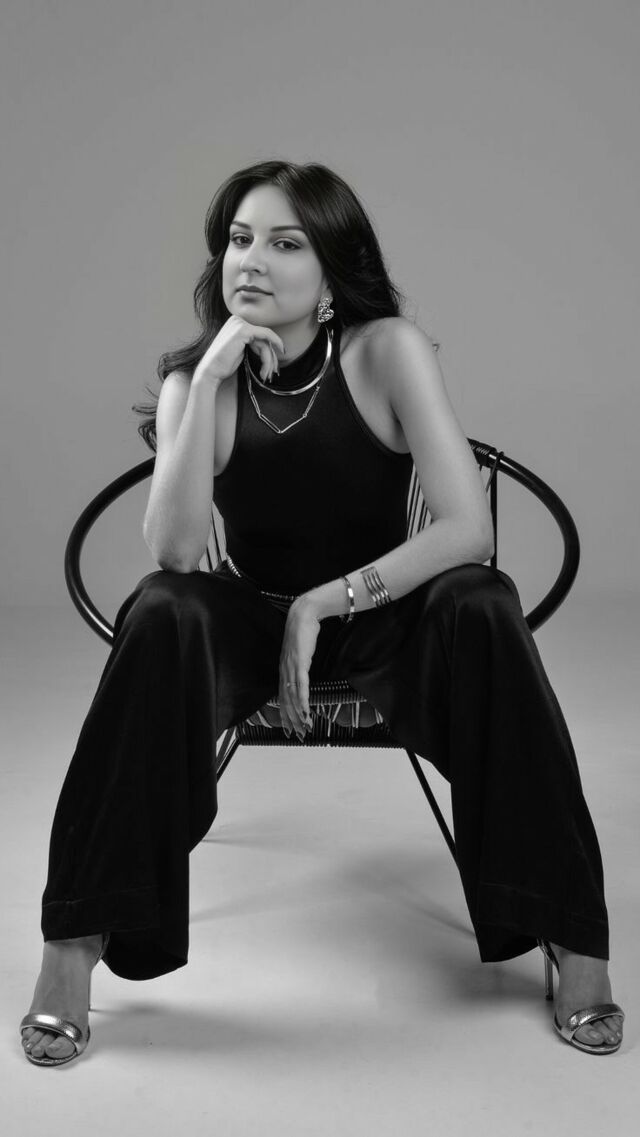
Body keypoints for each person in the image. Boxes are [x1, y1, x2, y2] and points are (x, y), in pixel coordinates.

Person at [20, 159, 624, 1066]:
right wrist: (210, 377)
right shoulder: (200, 382)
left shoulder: (387, 352)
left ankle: (574, 936)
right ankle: (72, 945)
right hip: (250, 626)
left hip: (384, 618)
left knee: (483, 602)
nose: (253, 261)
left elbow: (467, 529)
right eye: (239, 240)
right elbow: (176, 551)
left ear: (333, 270)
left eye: (285, 243)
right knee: (162, 609)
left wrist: (325, 601)